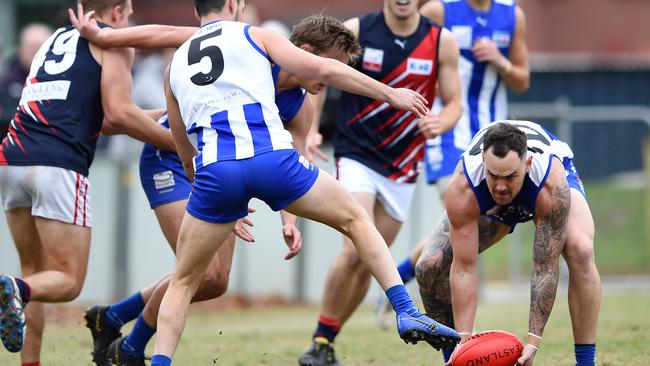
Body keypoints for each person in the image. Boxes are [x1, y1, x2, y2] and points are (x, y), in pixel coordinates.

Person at [153, 0, 461, 364]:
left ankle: (159, 360)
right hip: (272, 160)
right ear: (235, 5)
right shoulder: (257, 35)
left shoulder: (174, 67)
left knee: (183, 282)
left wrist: (219, 201)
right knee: (357, 221)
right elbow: (321, 69)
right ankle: (406, 310)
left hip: (215, 173)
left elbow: (183, 145)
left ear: (195, 12)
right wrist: (391, 93)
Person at [67, 9, 365, 365]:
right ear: (302, 52)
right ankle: (131, 347)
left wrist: (290, 220)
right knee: (198, 272)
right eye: (326, 68)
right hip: (174, 157)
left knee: (216, 280)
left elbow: (293, 161)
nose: (326, 81)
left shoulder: (299, 105)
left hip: (218, 168)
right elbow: (162, 33)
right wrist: (106, 36)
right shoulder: (247, 52)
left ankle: (113, 316)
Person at [0, 1, 177, 365]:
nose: (129, 22)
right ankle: (13, 288)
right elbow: (119, 112)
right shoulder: (113, 39)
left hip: (12, 158)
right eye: (127, 14)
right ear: (115, 12)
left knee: (33, 279)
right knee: (67, 282)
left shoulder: (53, 41)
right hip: (58, 165)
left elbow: (102, 117)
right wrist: (182, 147)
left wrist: (166, 116)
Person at [298, 0, 462, 364]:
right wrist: (310, 130)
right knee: (354, 248)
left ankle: (326, 341)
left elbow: (454, 104)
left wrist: (442, 122)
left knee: (368, 261)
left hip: (403, 165)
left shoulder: (440, 40)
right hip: (357, 153)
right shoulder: (358, 29)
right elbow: (318, 72)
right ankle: (319, 341)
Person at [385, 0, 530, 338]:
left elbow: (523, 80)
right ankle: (413, 288)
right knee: (458, 220)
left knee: (463, 228)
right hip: (449, 133)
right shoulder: (439, 10)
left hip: (495, 139)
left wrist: (501, 61)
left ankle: (401, 276)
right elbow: (410, 57)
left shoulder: (513, 15)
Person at [415, 121, 600, 366]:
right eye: (493, 175)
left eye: (510, 176)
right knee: (428, 267)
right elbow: (464, 268)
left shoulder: (550, 183)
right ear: (483, 161)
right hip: (489, 206)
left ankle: (585, 362)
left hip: (543, 187)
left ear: (527, 165)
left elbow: (544, 266)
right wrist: (464, 343)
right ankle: (453, 358)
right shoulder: (462, 187)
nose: (501, 186)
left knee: (581, 250)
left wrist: (533, 342)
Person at [0, 24, 53, 137]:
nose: (35, 52)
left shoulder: (62, 78)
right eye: (31, 46)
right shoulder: (5, 77)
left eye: (40, 46)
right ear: (21, 47)